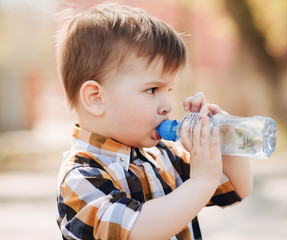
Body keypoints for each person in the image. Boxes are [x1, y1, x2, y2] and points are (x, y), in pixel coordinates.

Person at [55, 2, 252, 239]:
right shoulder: (81, 177)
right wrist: (200, 181)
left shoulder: (164, 156)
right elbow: (135, 231)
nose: (167, 106)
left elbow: (238, 188)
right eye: (152, 90)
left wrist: (224, 136)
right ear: (96, 98)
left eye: (168, 90)